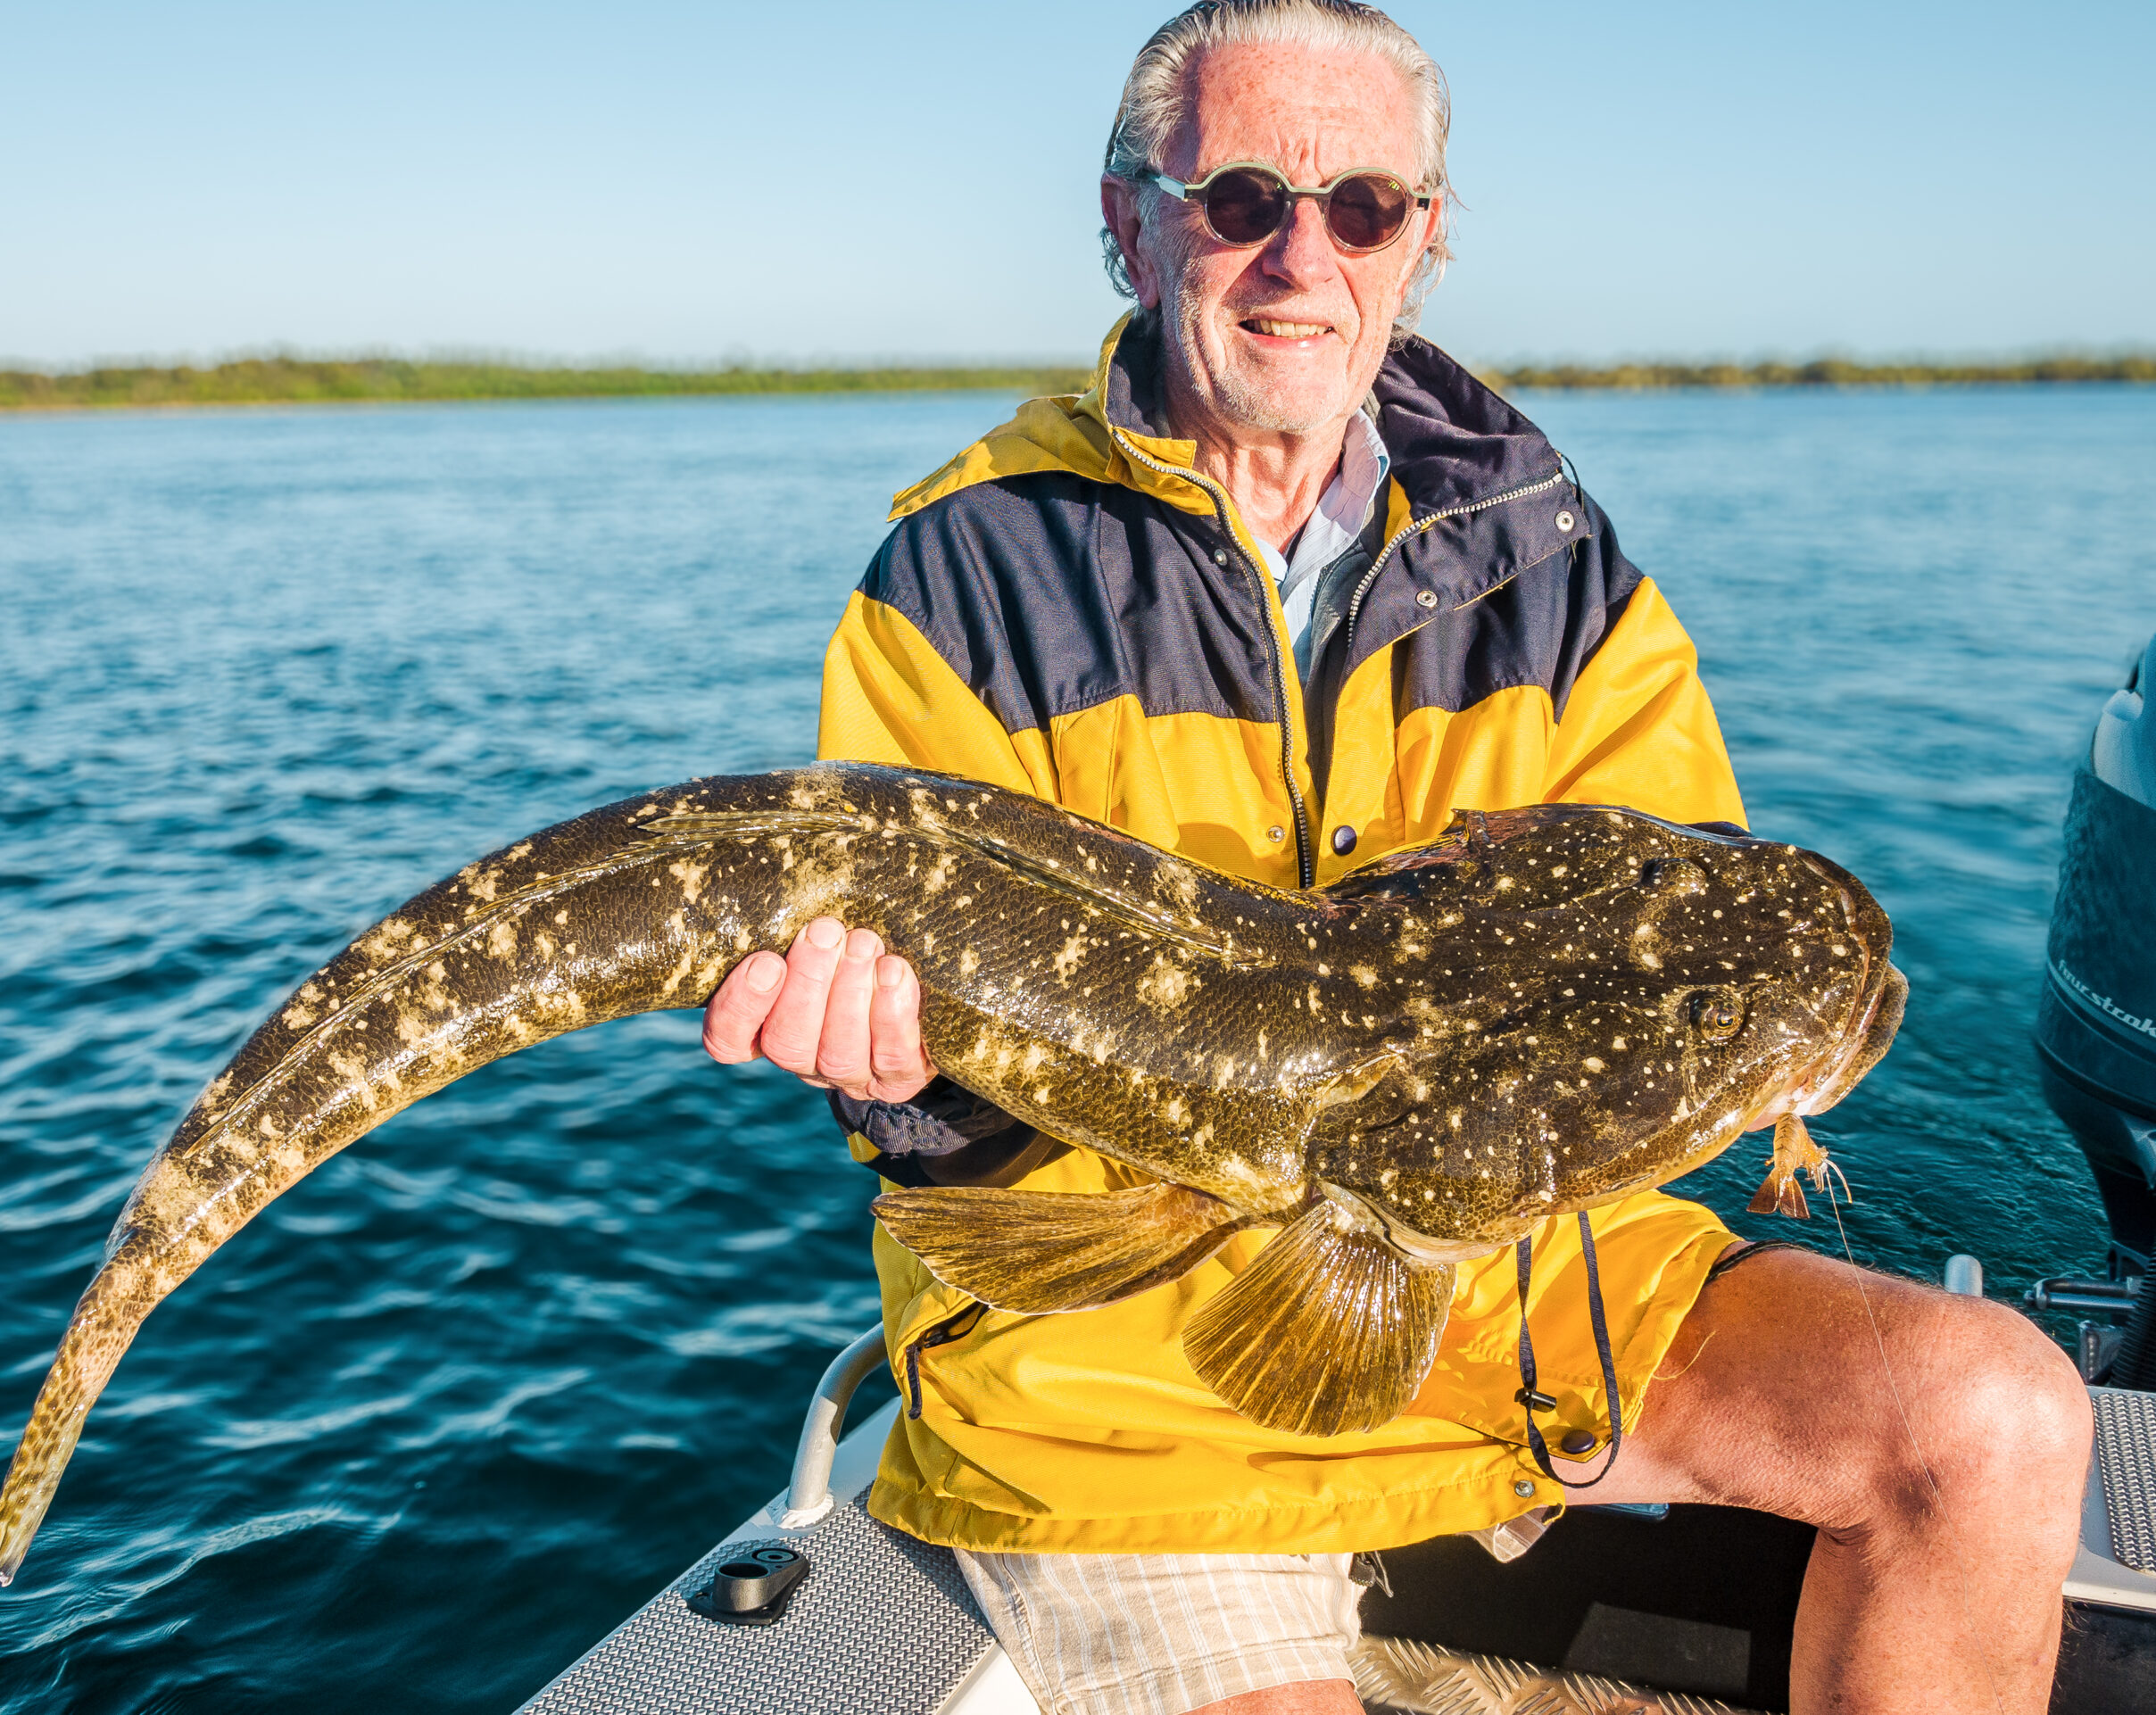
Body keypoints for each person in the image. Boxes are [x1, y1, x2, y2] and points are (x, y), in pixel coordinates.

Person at [702, 4, 2092, 1711]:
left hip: (1516, 1295)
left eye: (1364, 204)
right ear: (1132, 221)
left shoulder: (1552, 557)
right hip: (1128, 1377)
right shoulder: (967, 577)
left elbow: (1690, 924)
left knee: (2000, 1416)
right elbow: (943, 1098)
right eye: (1240, 198)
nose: (1303, 253)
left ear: (1426, 240)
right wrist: (900, 1072)